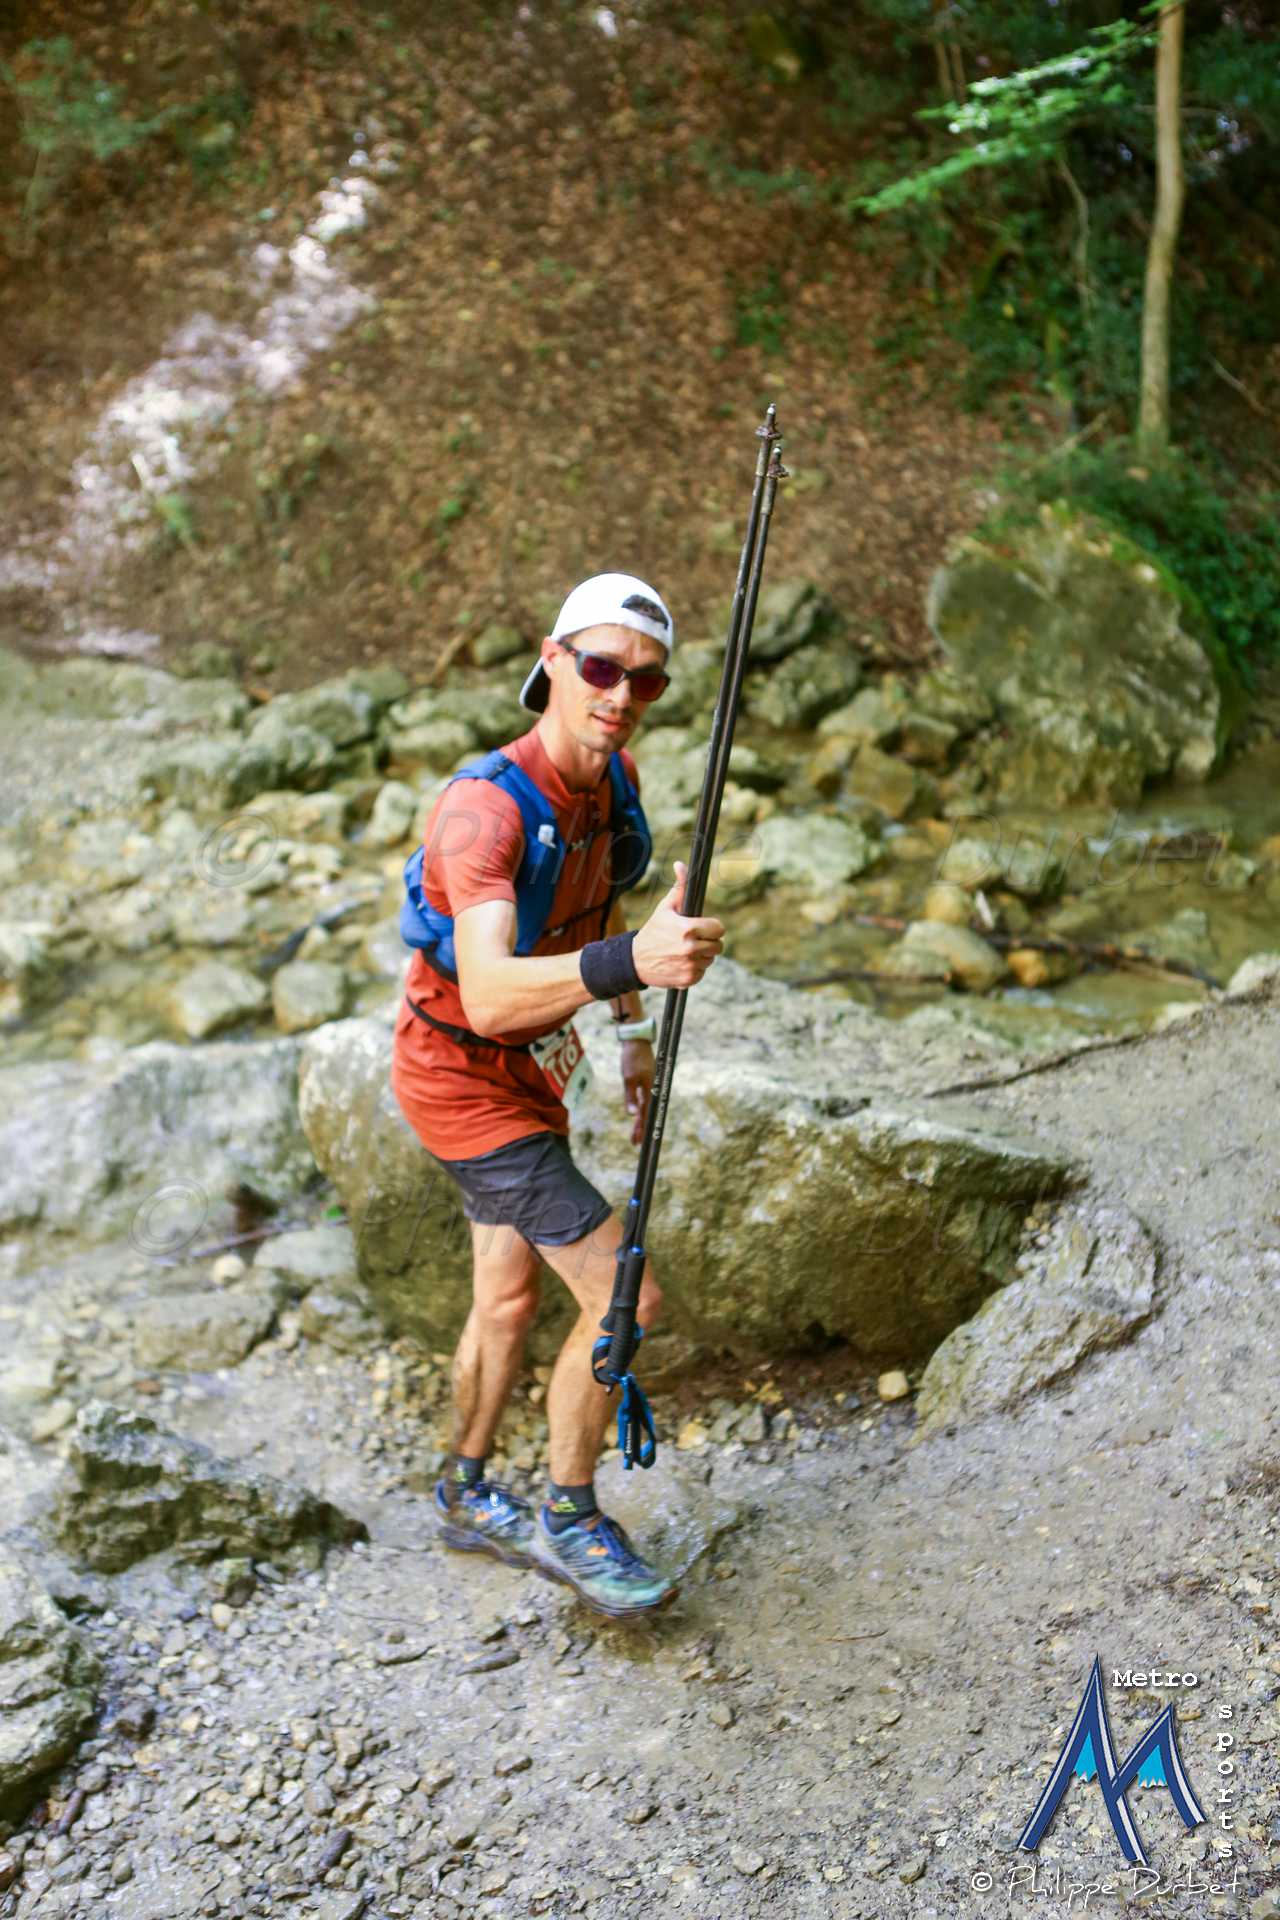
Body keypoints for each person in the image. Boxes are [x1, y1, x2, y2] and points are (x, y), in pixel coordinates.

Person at [389, 572, 725, 1618]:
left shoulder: (612, 782)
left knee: (505, 1297)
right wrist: (635, 965)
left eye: (646, 680)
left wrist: (629, 1034)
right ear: (552, 661)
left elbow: (599, 907)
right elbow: (492, 994)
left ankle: (464, 1491)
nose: (620, 693)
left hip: (529, 1072)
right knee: (627, 1296)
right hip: (462, 1078)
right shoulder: (482, 811)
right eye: (600, 667)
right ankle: (569, 1515)